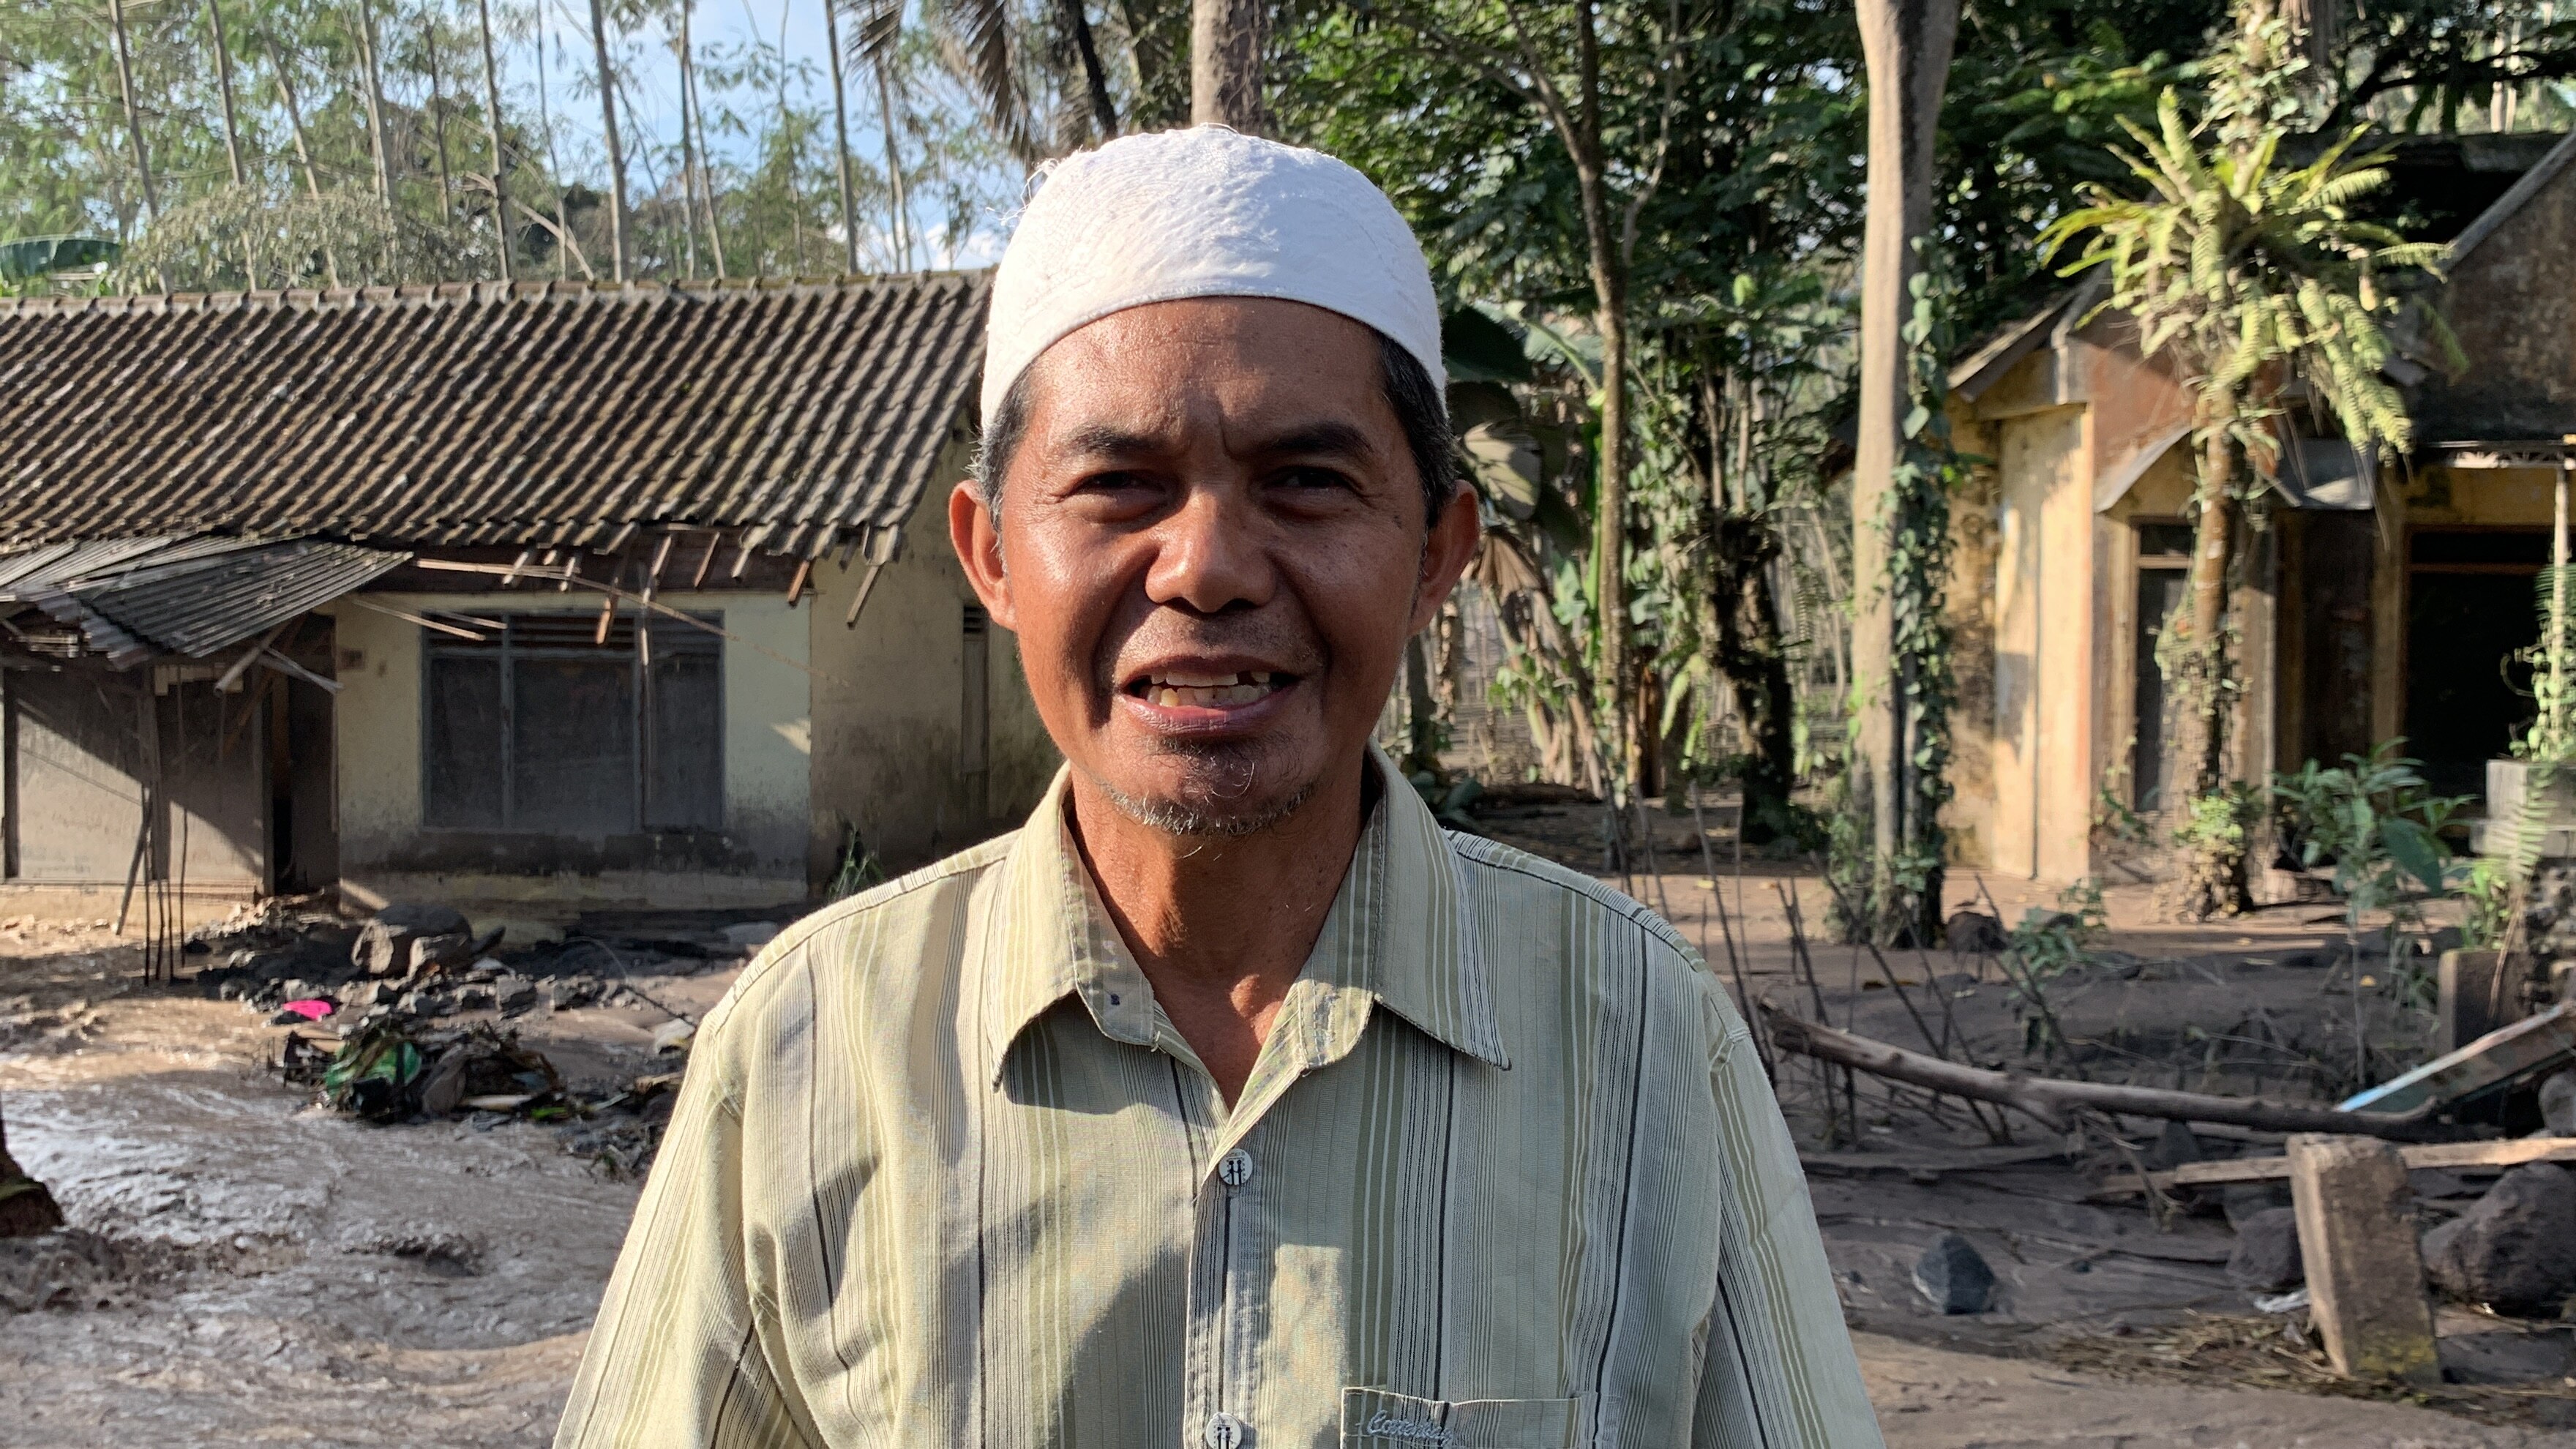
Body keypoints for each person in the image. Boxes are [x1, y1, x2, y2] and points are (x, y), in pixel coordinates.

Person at [556, 125, 1883, 1449]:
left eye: (1306, 482)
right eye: (1119, 485)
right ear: (994, 557)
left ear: (1437, 554)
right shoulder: (806, 1049)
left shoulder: (1641, 1036)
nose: (1205, 570)